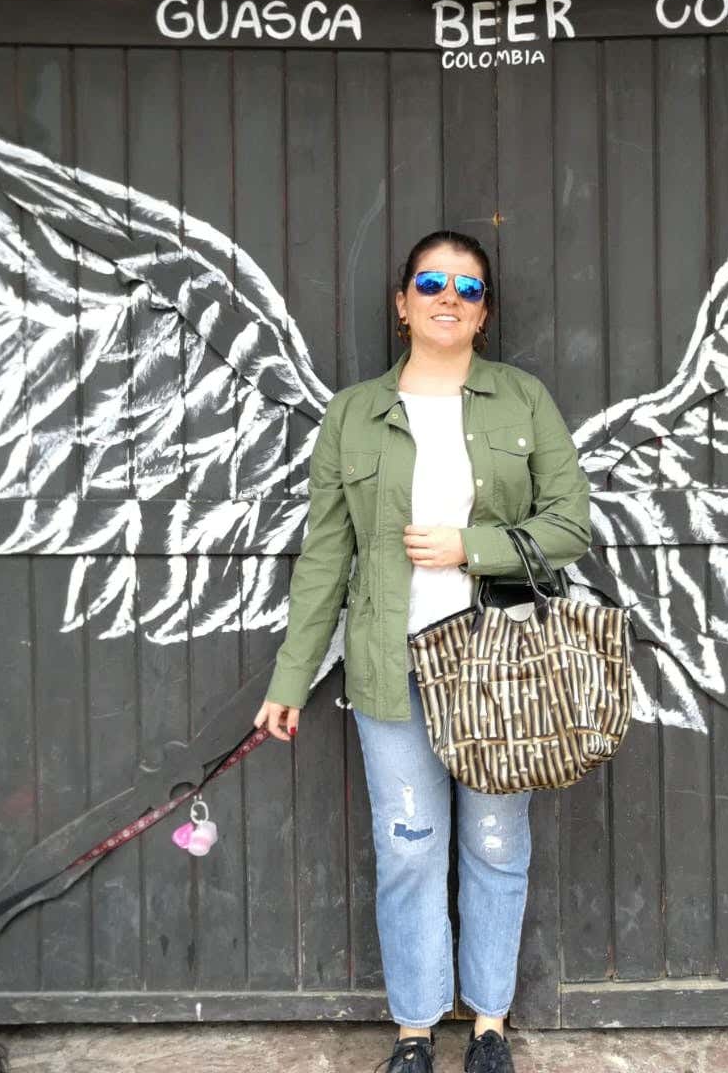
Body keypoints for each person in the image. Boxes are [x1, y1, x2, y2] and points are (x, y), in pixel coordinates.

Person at [255, 229, 592, 1073]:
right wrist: (292, 676)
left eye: (468, 288)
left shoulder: (522, 400)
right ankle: (413, 1031)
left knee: (492, 842)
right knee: (407, 847)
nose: (450, 297)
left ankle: (487, 1026)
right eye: (432, 283)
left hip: (499, 668)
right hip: (391, 665)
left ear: (485, 313)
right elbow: (325, 554)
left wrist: (469, 548)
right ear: (402, 304)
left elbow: (570, 525)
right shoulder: (352, 414)